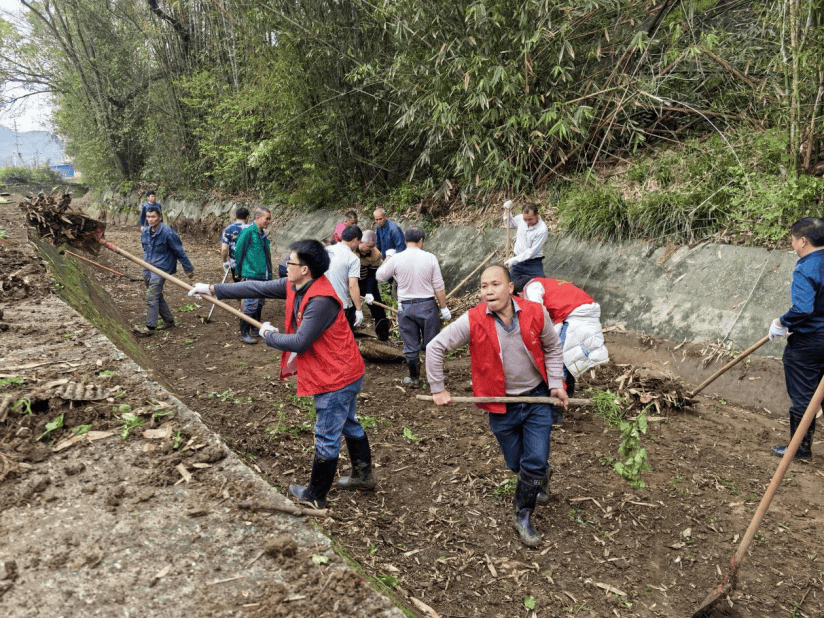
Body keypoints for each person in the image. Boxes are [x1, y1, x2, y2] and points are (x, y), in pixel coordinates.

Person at [188, 240, 374, 506]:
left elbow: (300, 342)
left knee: (327, 436)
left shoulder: (320, 300)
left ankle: (315, 497)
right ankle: (363, 476)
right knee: (348, 423)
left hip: (336, 377)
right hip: (344, 369)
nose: (286, 265)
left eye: (291, 262)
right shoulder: (295, 284)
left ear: (306, 269)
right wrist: (212, 289)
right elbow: (256, 286)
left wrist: (270, 335)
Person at [425, 264, 568, 547]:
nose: (488, 291)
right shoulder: (473, 320)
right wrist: (438, 388)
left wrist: (555, 382)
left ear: (511, 287)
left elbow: (552, 347)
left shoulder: (535, 313)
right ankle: (540, 475)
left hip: (537, 399)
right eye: (483, 286)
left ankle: (523, 514)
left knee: (534, 460)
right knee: (516, 463)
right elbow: (435, 347)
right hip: (501, 404)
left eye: (495, 284)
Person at [768, 217, 824, 460]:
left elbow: (802, 309)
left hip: (810, 342)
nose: (791, 243)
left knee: (804, 394)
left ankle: (800, 449)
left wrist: (782, 323)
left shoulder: (806, 268)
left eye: (792, 239)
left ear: (803, 241)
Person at [523, 276, 609, 423]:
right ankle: (567, 399)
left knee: (558, 362)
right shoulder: (552, 285)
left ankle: (555, 415)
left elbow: (536, 311)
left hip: (575, 314)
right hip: (585, 310)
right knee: (567, 361)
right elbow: (552, 325)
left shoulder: (531, 287)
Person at [376, 226, 450, 386]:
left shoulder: (397, 259)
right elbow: (438, 285)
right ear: (421, 241)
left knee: (410, 345)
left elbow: (380, 275)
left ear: (405, 241)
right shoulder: (430, 258)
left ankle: (414, 378)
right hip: (427, 306)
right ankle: (435, 378)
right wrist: (443, 307)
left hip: (406, 308)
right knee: (433, 344)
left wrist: (389, 257)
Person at [134, 206, 194, 335]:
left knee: (151, 296)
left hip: (161, 269)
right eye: (148, 217)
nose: (150, 219)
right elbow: (146, 250)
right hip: (148, 268)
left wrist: (188, 268)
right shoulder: (145, 232)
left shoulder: (168, 233)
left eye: (153, 217)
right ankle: (169, 321)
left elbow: (179, 251)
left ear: (160, 217)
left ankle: (150, 328)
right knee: (156, 295)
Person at [234, 207, 273, 344]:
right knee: (250, 304)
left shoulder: (262, 234)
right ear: (257, 217)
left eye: (269, 218)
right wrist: (238, 270)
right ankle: (244, 333)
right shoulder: (248, 232)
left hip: (263, 274)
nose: (268, 221)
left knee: (260, 302)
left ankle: (255, 328)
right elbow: (238, 251)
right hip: (251, 273)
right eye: (266, 218)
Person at [504, 201, 548, 292]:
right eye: (525, 219)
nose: (528, 222)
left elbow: (532, 252)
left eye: (530, 219)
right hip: (518, 264)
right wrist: (507, 211)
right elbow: (509, 223)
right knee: (511, 286)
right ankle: (528, 283)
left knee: (542, 285)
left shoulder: (542, 229)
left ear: (537, 215)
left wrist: (514, 260)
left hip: (533, 263)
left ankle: (531, 281)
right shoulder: (521, 219)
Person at [326, 225, 365, 329]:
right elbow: (353, 285)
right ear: (355, 240)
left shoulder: (327, 250)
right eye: (359, 241)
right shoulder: (353, 259)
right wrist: (359, 309)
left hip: (321, 299)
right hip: (341, 303)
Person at [357, 230, 390, 341]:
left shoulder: (376, 254)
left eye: (372, 247)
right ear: (360, 242)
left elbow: (372, 274)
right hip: (352, 282)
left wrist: (369, 291)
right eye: (368, 246)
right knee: (349, 309)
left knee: (379, 309)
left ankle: (383, 337)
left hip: (367, 281)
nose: (369, 249)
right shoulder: (351, 251)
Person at [220, 208, 251, 282]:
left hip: (235, 264)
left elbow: (224, 249)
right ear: (247, 217)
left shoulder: (228, 230)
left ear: (235, 216)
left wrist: (225, 262)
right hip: (251, 264)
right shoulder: (252, 229)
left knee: (238, 286)